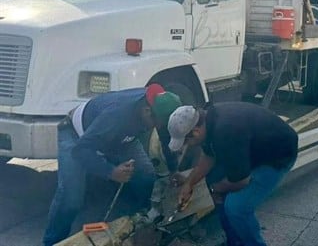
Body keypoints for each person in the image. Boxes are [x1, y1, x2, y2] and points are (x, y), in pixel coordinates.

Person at [42, 84, 181, 246]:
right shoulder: (117, 115)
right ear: (147, 111)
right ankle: (52, 242)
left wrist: (174, 170)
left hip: (121, 138)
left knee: (145, 174)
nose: (158, 128)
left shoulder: (158, 106)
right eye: (157, 123)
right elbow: (81, 150)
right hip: (78, 136)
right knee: (71, 198)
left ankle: (138, 221)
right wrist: (111, 172)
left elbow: (166, 136)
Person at [168, 102, 298, 246]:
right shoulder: (208, 121)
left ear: (195, 132)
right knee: (215, 181)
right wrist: (189, 184)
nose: (187, 146)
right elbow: (208, 157)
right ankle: (234, 240)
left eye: (186, 141)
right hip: (253, 149)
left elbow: (241, 181)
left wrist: (214, 189)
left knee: (237, 207)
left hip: (278, 156)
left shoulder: (226, 131)